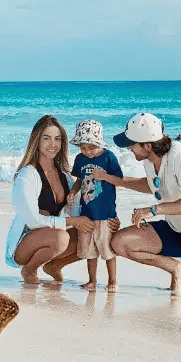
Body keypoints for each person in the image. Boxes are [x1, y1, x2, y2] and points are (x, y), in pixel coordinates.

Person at [89, 113, 181, 300]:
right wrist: (112, 179)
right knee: (120, 242)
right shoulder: (151, 161)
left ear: (147, 145)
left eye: (131, 144)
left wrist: (153, 210)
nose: (129, 149)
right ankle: (177, 269)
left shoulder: (179, 156)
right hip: (179, 233)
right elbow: (150, 185)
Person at [3, 115, 97, 284]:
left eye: (57, 139)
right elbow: (32, 222)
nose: (52, 144)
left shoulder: (65, 176)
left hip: (53, 237)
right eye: (46, 139)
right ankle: (29, 270)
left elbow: (78, 210)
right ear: (37, 141)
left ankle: (54, 266)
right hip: (25, 243)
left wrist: (106, 219)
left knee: (93, 232)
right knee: (61, 238)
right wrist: (71, 221)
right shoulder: (27, 175)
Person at [68, 119, 123, 291]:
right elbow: (79, 180)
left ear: (98, 142)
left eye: (91, 147)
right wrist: (72, 192)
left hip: (106, 214)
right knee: (89, 251)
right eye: (83, 148)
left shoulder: (109, 157)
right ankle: (92, 280)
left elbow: (120, 180)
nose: (87, 152)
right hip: (86, 214)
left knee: (107, 250)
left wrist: (104, 177)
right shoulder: (80, 158)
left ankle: (112, 281)